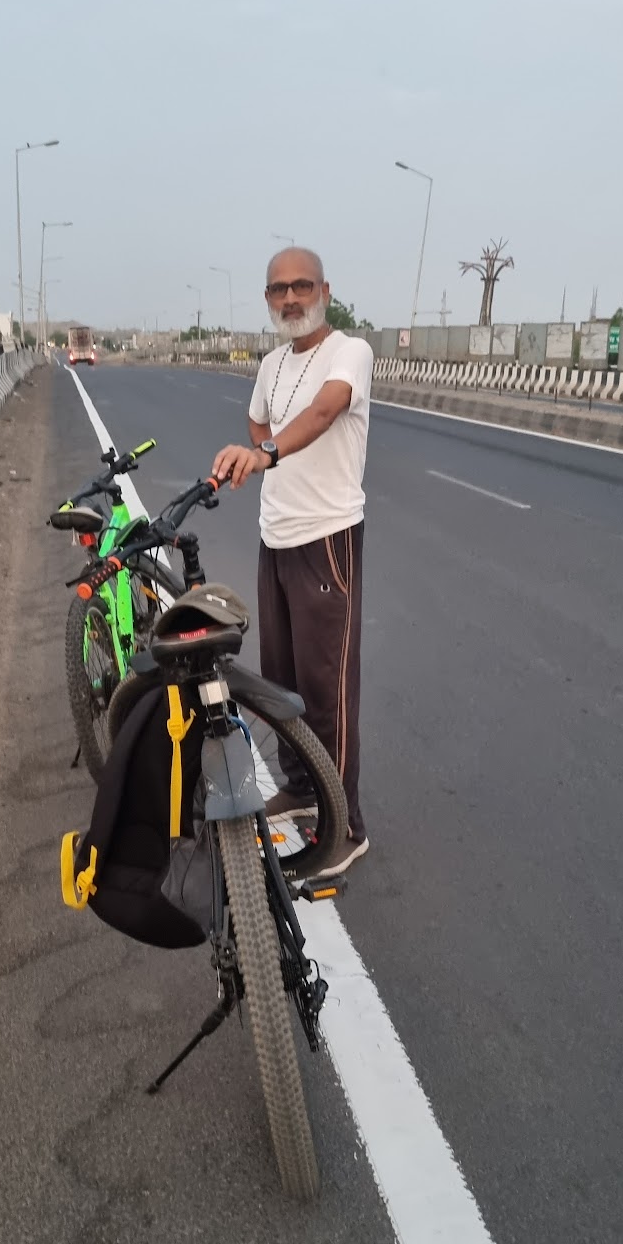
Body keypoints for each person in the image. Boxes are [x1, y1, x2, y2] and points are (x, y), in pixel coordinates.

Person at [212, 248, 373, 876]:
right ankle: (303, 790)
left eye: (301, 286)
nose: (290, 298)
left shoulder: (348, 352)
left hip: (327, 539)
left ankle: (346, 828)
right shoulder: (273, 363)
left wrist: (272, 454)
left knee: (327, 690)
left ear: (325, 289)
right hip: (274, 539)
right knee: (280, 681)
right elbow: (259, 420)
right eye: (278, 289)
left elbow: (325, 410)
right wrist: (261, 454)